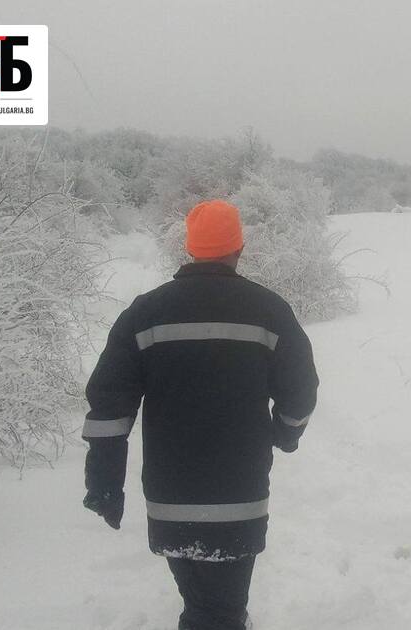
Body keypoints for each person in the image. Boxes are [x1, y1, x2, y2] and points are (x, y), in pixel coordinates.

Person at [81, 199, 319, 630]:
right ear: (238, 249)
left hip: (171, 497)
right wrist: (286, 432)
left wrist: (104, 480)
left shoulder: (145, 313)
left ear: (190, 250)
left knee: (203, 602)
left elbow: (109, 405)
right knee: (220, 609)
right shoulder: (268, 310)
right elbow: (300, 392)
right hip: (239, 495)